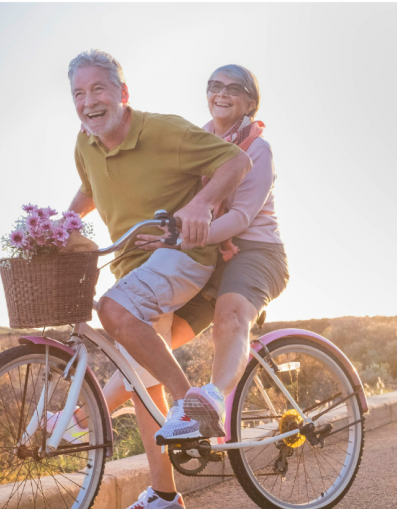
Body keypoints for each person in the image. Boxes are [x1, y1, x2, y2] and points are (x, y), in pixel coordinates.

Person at [66, 50, 252, 509]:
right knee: (138, 377)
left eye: (98, 89)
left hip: (182, 256)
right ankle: (166, 495)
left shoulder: (163, 130)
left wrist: (202, 204)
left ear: (122, 94)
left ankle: (189, 400)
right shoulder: (84, 144)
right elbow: (90, 189)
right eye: (78, 93)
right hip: (135, 266)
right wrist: (60, 225)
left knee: (112, 308)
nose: (88, 102)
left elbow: (235, 162)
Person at [101, 64, 288, 509]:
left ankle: (210, 401)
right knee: (147, 345)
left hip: (255, 254)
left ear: (250, 102)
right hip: (207, 258)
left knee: (230, 316)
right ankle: (87, 421)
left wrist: (181, 238)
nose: (222, 94)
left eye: (234, 89)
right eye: (214, 87)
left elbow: (241, 219)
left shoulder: (258, 150)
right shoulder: (201, 137)